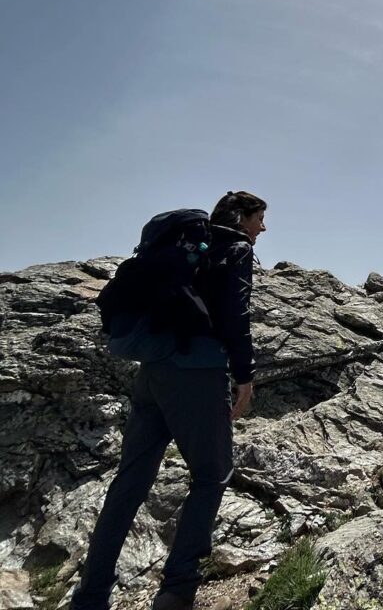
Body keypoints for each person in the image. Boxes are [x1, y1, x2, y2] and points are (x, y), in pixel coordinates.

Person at [72, 191, 267, 610]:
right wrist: (245, 377)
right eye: (260, 218)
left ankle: (89, 596)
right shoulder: (234, 249)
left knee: (130, 482)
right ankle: (178, 588)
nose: (263, 228)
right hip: (197, 373)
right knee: (211, 475)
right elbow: (236, 316)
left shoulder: (185, 248)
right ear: (242, 217)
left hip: (153, 372)